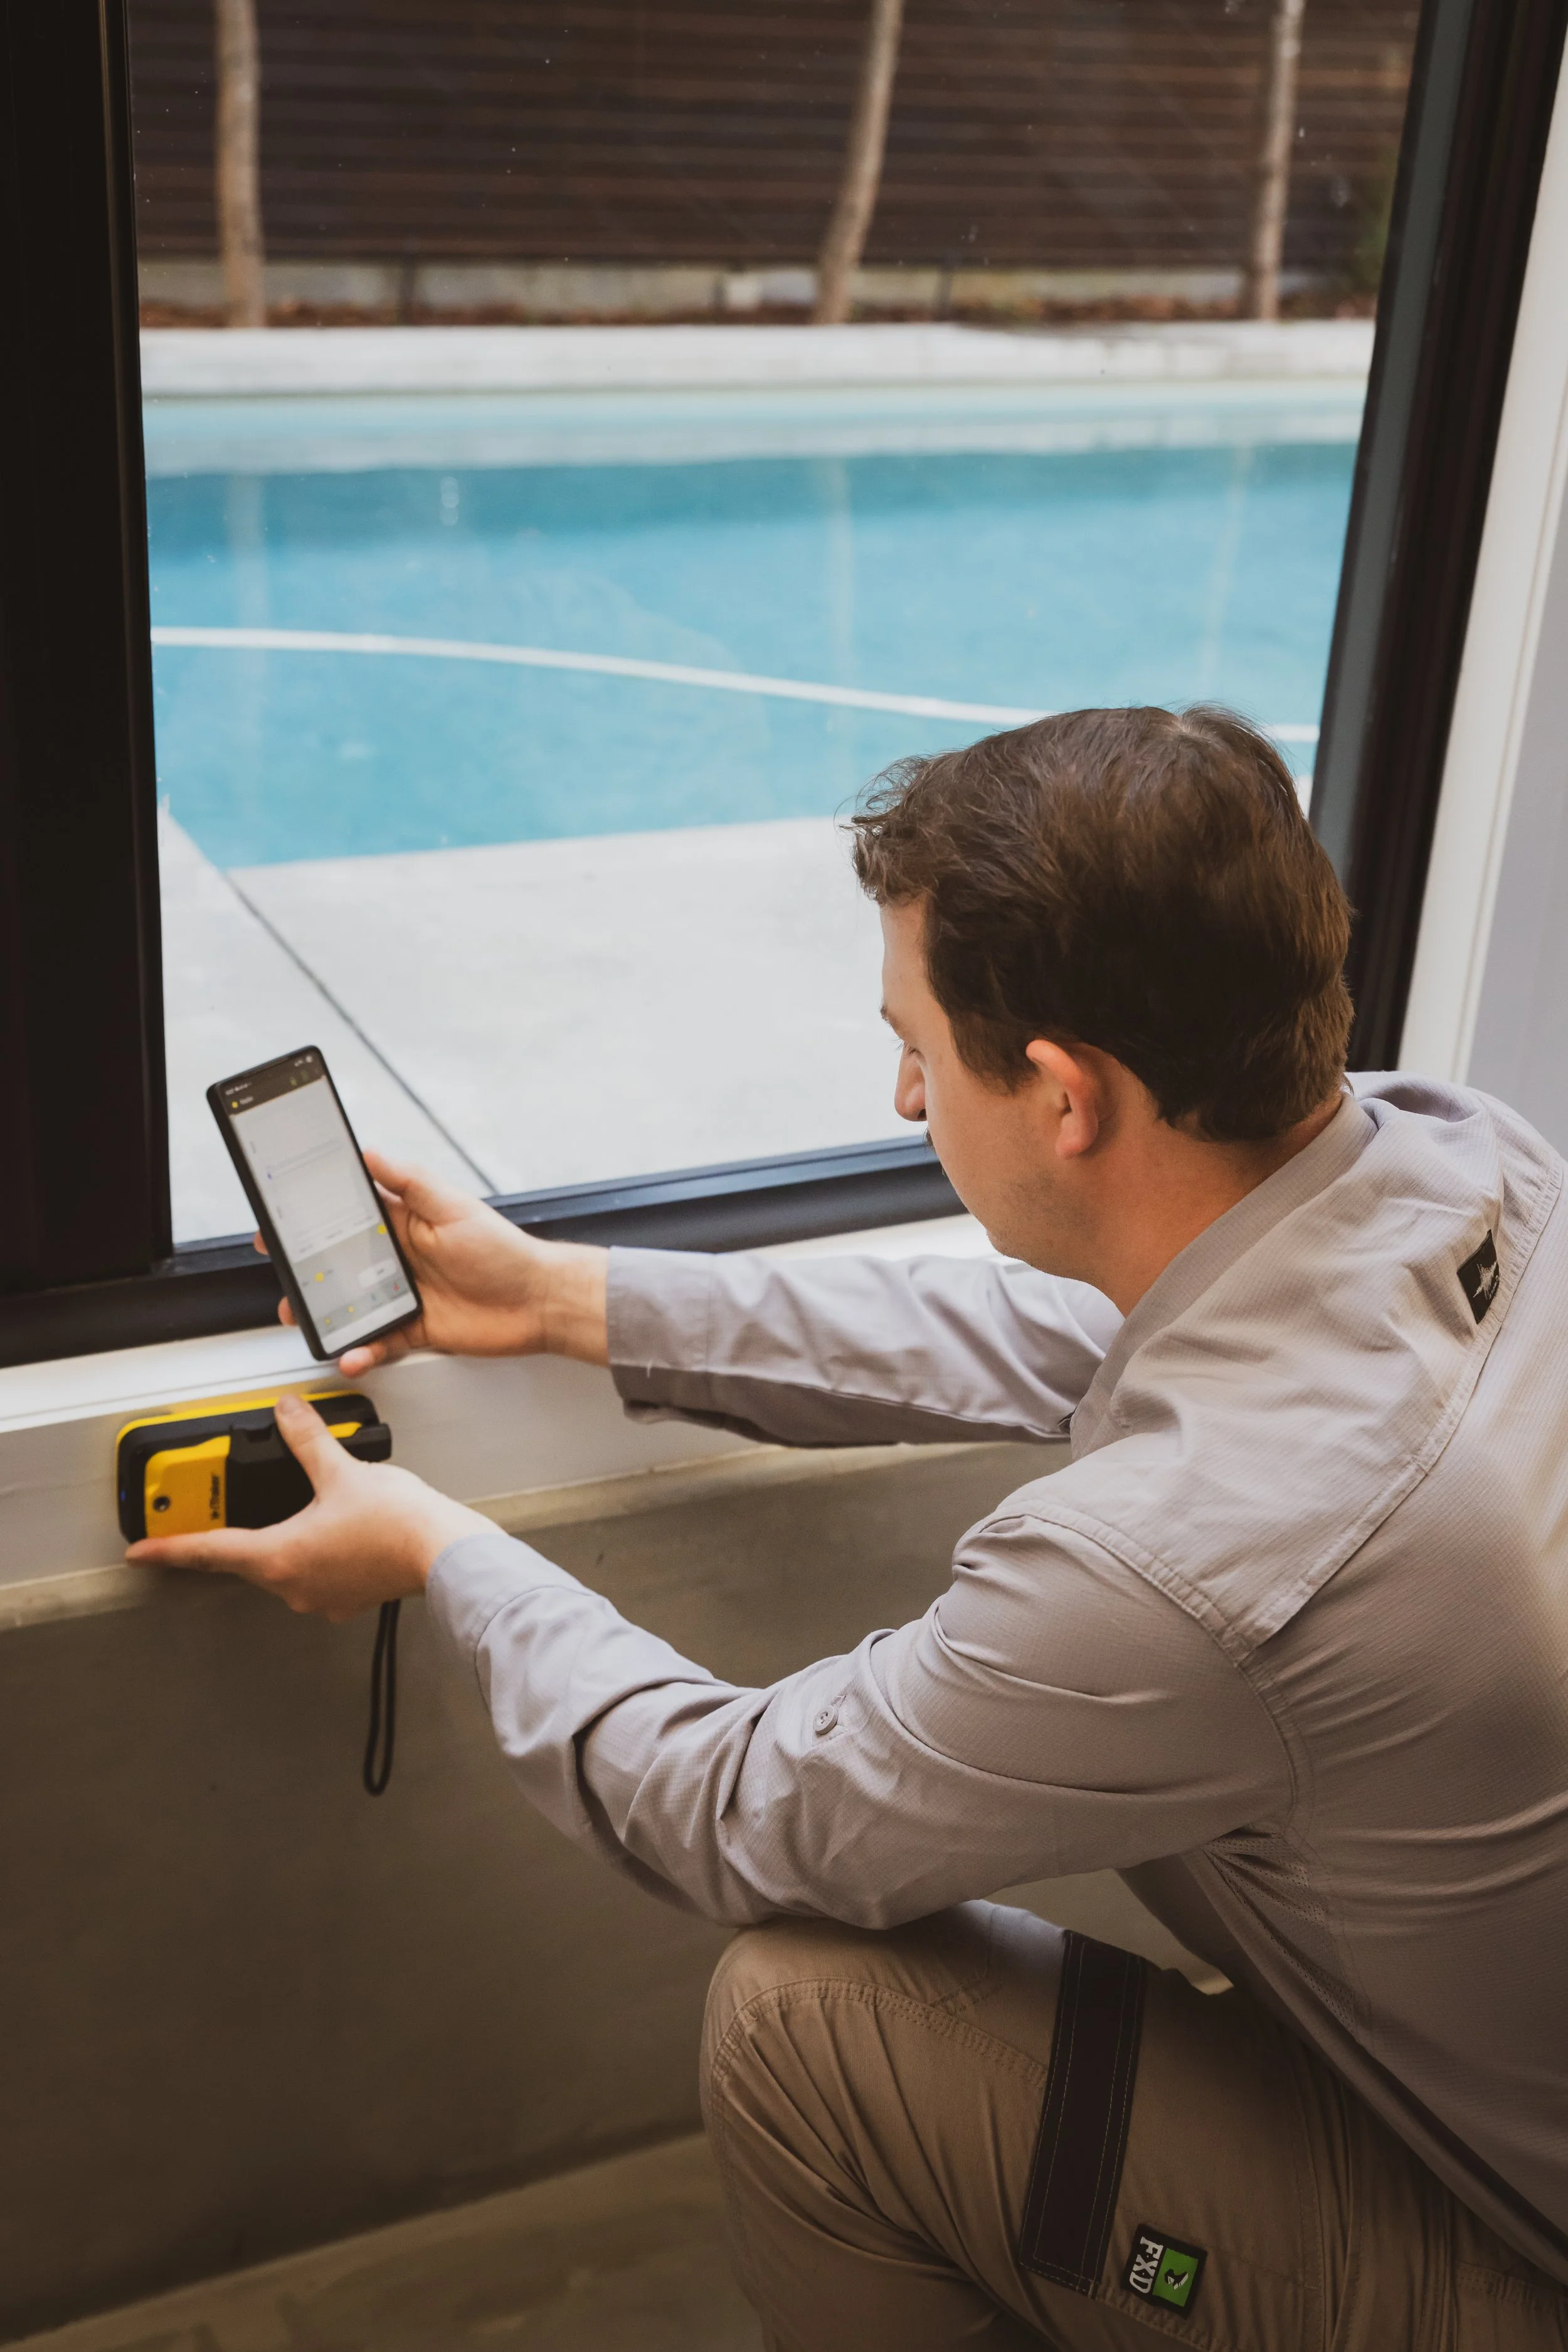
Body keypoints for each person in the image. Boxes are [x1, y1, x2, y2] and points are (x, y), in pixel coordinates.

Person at [130, 706, 1568, 2351]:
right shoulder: (1457, 1164)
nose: (897, 1095)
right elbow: (1072, 1337)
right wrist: (561, 1296)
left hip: (1514, 2257)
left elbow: (737, 1804)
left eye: (917, 1043)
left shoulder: (1188, 1559)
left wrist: (439, 1553)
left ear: (1060, 1095)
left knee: (807, 2029)